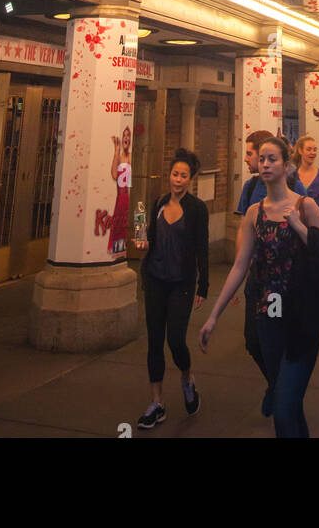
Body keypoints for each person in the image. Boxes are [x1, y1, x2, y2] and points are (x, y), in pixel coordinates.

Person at [200, 135, 319, 438]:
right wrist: (213, 316)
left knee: (284, 414)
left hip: (302, 315)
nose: (266, 164)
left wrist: (299, 228)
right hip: (269, 313)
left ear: (287, 165)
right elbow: (239, 266)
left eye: (272, 158)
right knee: (290, 407)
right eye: (262, 159)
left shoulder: (305, 205)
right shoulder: (253, 213)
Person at [135, 148, 209, 430]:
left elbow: (202, 247)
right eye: (175, 174)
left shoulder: (197, 209)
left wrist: (204, 284)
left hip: (182, 283)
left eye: (183, 176)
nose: (178, 180)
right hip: (155, 279)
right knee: (154, 341)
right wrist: (141, 240)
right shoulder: (157, 203)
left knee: (175, 340)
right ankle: (157, 403)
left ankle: (187, 378)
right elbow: (145, 233)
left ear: (191, 178)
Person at [236, 130, 307, 216]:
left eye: (249, 154)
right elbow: (244, 224)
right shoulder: (250, 186)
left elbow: (309, 224)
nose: (245, 159)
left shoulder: (295, 186)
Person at [293, 134, 319, 226]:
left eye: (315, 150)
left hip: (316, 229)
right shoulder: (292, 177)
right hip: (295, 228)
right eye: (309, 149)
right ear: (300, 151)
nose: (312, 152)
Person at [108, 126, 132, 255]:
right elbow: (114, 174)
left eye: (128, 135)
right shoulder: (120, 156)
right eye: (124, 135)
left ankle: (125, 248)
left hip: (128, 196)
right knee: (118, 224)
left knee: (125, 223)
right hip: (120, 197)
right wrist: (116, 151)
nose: (126, 138)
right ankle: (118, 249)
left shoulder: (131, 156)